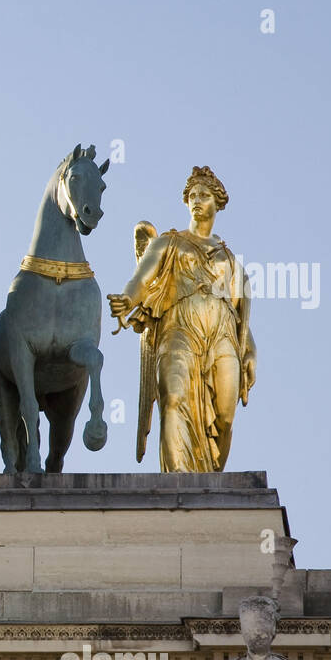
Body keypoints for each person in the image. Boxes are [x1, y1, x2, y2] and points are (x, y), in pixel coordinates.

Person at [108, 166, 256, 471]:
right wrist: (127, 299)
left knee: (225, 418)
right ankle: (178, 482)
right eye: (192, 195)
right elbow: (142, 278)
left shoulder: (229, 259)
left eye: (203, 195)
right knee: (173, 399)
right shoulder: (168, 242)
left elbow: (240, 315)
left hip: (223, 336)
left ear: (218, 202)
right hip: (180, 330)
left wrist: (250, 351)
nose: (196, 200)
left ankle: (212, 482)